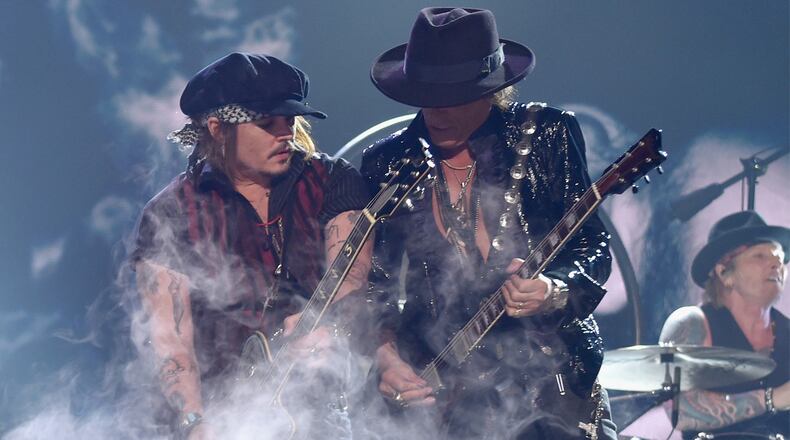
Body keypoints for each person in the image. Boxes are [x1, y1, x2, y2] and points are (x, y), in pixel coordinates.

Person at [360, 7, 616, 439]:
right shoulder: (389, 161)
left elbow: (592, 247)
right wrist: (386, 358)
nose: (436, 112)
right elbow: (372, 284)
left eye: (453, 96)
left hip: (549, 377)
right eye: (426, 95)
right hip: (443, 386)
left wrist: (551, 290)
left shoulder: (546, 135)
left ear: (491, 90)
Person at [131, 52, 372, 439]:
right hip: (217, 413)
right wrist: (195, 423)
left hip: (316, 410)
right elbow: (170, 343)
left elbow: (349, 287)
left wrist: (332, 328)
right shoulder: (171, 213)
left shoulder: (332, 181)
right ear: (217, 127)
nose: (286, 134)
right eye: (266, 124)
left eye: (290, 120)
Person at [659, 211, 790, 438]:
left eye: (780, 257)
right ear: (724, 273)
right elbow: (680, 411)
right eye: (760, 256)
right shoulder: (691, 323)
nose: (776, 264)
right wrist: (773, 398)